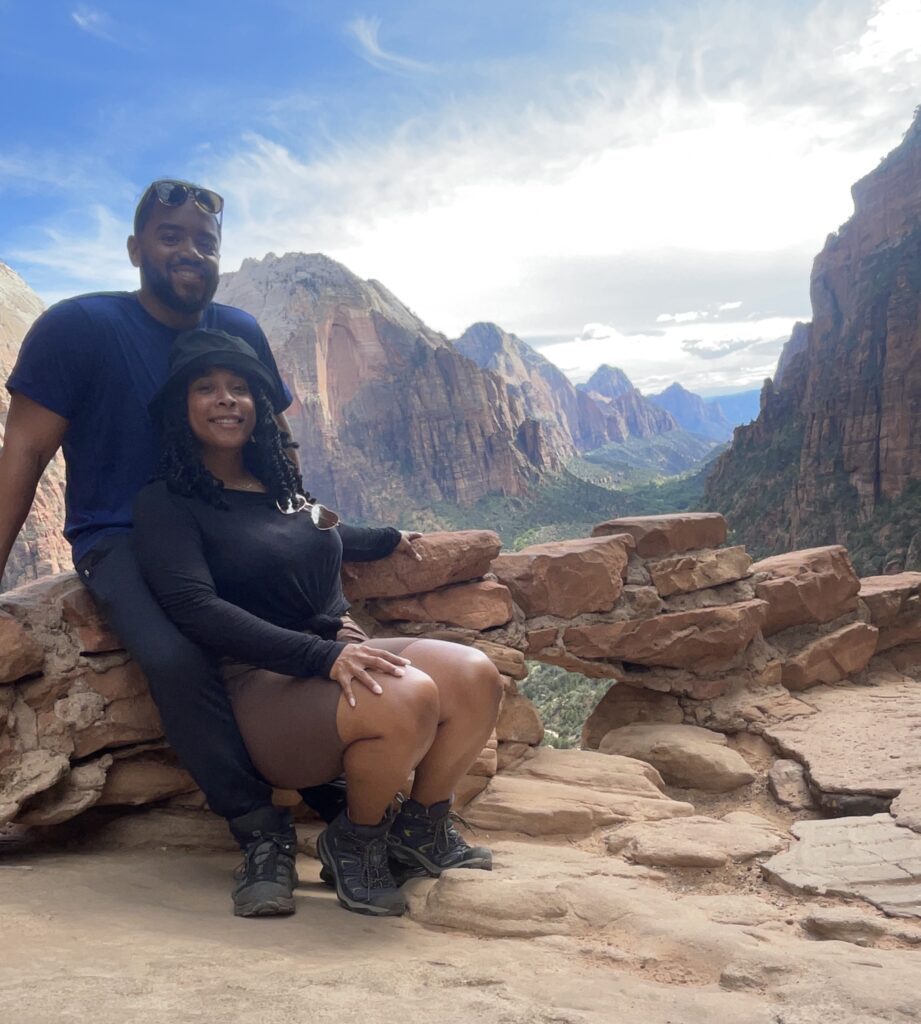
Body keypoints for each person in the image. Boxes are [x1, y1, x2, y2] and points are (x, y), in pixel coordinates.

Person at [1, 179, 345, 915]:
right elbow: (22, 456)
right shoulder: (79, 328)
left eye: (204, 242)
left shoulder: (239, 330)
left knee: (302, 622)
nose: (189, 252)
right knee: (173, 652)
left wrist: (317, 530)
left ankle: (328, 787)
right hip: (119, 535)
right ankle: (258, 829)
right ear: (135, 250)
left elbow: (275, 452)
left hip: (229, 523)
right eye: (170, 237)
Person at [132, 327, 503, 917]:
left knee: (476, 673)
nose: (227, 399)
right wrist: (325, 656)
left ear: (258, 405)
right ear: (182, 408)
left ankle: (420, 831)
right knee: (404, 697)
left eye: (240, 388)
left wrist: (389, 539)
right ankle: (354, 840)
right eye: (207, 388)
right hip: (261, 683)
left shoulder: (280, 488)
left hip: (327, 656)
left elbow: (328, 530)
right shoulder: (166, 503)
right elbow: (194, 608)